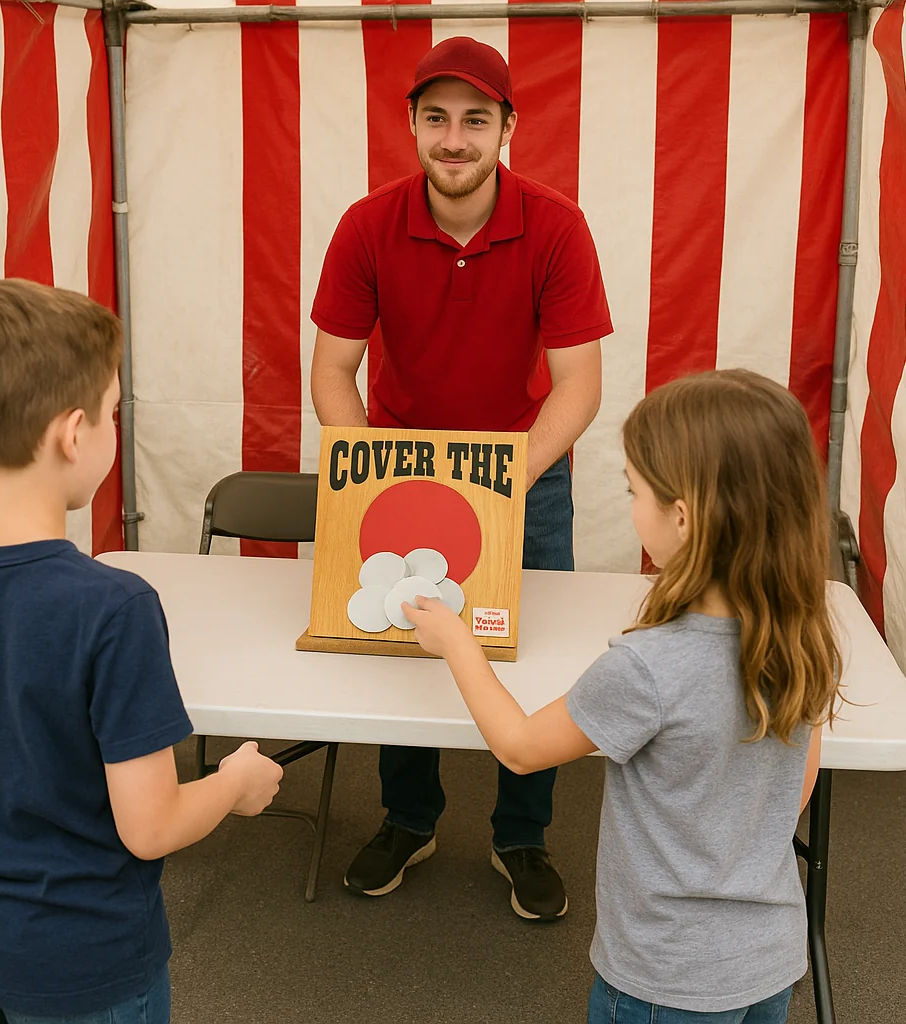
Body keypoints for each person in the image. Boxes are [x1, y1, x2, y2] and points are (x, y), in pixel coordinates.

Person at [0, 280, 284, 1023]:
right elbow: (152, 824)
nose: (112, 425)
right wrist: (236, 781)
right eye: (112, 411)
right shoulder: (114, 607)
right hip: (86, 966)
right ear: (74, 434)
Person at [404, 369, 842, 1022]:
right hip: (768, 963)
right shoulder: (801, 634)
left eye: (636, 492)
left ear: (684, 517)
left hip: (662, 980)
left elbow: (522, 749)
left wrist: (457, 643)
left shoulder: (647, 668)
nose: (632, 507)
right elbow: (796, 777)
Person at [310, 35, 613, 919]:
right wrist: (369, 475)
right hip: (403, 470)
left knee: (532, 658)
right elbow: (332, 372)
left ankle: (522, 833)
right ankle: (410, 818)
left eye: (475, 119)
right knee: (407, 644)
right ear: (410, 124)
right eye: (436, 118)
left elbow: (579, 386)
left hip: (527, 475)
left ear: (507, 127)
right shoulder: (367, 225)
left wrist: (499, 484)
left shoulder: (557, 225)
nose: (454, 138)